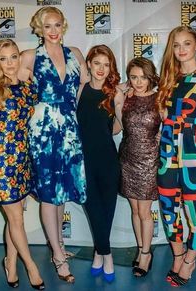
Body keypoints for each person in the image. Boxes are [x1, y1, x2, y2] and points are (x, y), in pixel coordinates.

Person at [18, 6, 89, 283]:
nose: (53, 31)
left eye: (57, 25)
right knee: (49, 194)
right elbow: (8, 86)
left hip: (70, 130)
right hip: (43, 132)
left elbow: (85, 87)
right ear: (39, 28)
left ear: (63, 26)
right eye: (48, 26)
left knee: (61, 194)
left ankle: (56, 246)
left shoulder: (75, 54)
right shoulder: (29, 57)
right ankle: (58, 255)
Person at [0, 39, 44, 290]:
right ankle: (32, 267)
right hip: (1, 164)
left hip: (22, 160)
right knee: (16, 219)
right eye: (3, 58)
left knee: (15, 220)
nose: (9, 63)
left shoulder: (27, 87)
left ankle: (11, 264)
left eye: (14, 57)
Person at [157, 25, 196, 287]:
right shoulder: (168, 79)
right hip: (167, 155)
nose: (181, 50)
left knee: (194, 211)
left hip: (193, 155)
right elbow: (163, 116)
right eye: (176, 45)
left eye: (186, 44)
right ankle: (177, 255)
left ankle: (191, 259)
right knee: (169, 211)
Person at [76, 44, 124, 283]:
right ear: (88, 64)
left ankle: (99, 252)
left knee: (107, 210)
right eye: (97, 63)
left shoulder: (115, 93)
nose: (101, 69)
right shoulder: (80, 89)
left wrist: (105, 130)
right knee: (94, 208)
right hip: (83, 160)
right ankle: (108, 254)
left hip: (108, 159)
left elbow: (119, 126)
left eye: (106, 65)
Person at [118, 57, 161, 277]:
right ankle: (141, 248)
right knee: (135, 210)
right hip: (127, 159)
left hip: (149, 161)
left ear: (150, 76)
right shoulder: (126, 97)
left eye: (143, 77)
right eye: (133, 77)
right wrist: (123, 88)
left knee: (145, 212)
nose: (138, 82)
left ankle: (146, 253)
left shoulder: (159, 98)